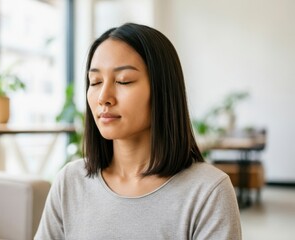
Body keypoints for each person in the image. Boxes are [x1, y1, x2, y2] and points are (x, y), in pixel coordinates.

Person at [35, 23, 241, 240]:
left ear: (162, 90)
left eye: (123, 81)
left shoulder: (208, 191)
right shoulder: (70, 181)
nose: (103, 97)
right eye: (95, 81)